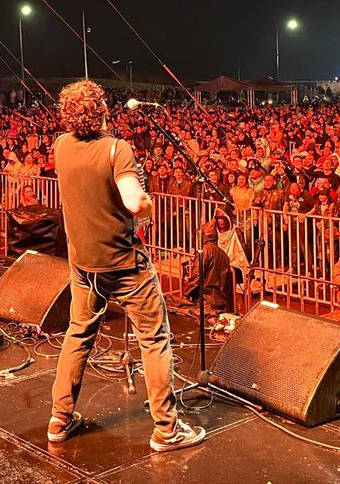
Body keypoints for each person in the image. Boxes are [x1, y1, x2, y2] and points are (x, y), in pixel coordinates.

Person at [48, 79, 205, 453]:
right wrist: (148, 205)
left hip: (83, 262)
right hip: (124, 263)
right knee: (154, 339)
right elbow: (134, 203)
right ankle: (166, 429)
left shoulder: (61, 145)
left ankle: (60, 418)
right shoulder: (116, 149)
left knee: (78, 334)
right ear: (102, 111)